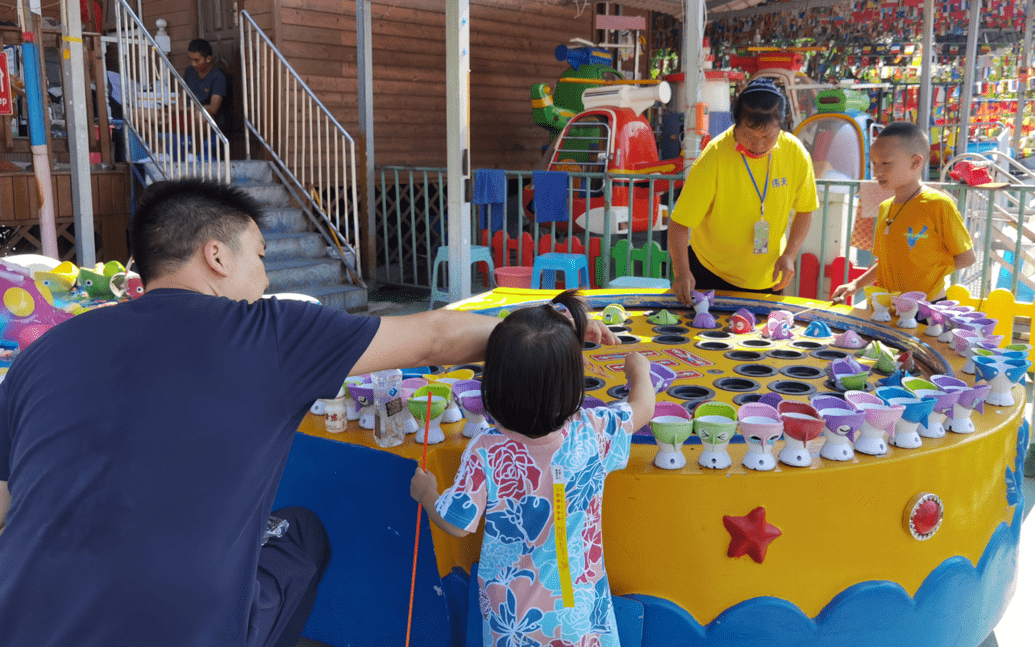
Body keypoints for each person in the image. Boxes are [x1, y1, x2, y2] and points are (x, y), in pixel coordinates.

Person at [0, 179, 617, 646]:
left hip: (23, 619)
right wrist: (551, 333)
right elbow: (432, 338)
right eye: (260, 256)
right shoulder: (267, 332)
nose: (265, 275)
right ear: (217, 256)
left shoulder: (44, 351)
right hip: (186, 628)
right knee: (301, 533)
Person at [410, 290, 655, 647]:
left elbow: (457, 524)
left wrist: (427, 493)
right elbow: (643, 407)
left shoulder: (486, 450)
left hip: (513, 620)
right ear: (573, 384)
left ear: (492, 385)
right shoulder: (595, 429)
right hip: (580, 612)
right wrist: (639, 372)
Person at [667, 78, 819, 302]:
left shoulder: (795, 153)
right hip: (711, 274)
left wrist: (789, 255)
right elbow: (679, 224)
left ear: (782, 126)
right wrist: (681, 273)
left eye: (768, 136)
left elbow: (806, 210)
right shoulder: (714, 156)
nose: (758, 145)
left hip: (769, 279)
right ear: (736, 123)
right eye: (748, 135)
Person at [831, 122, 976, 303]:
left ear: (916, 162)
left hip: (926, 309)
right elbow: (886, 263)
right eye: (874, 163)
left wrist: (929, 273)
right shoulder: (885, 207)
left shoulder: (938, 204)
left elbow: (967, 257)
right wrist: (856, 284)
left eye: (886, 163)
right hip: (888, 308)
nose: (877, 171)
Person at [184, 38, 228, 132]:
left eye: (197, 60)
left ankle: (196, 147)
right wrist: (174, 109)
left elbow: (213, 108)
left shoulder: (218, 76)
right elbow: (183, 97)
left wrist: (185, 109)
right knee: (151, 114)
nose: (193, 64)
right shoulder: (189, 72)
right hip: (187, 112)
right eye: (190, 60)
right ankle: (159, 146)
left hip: (207, 116)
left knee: (200, 116)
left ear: (208, 59)